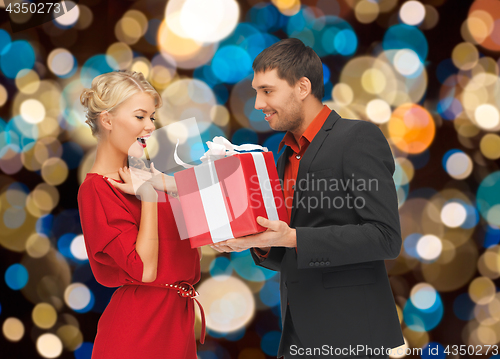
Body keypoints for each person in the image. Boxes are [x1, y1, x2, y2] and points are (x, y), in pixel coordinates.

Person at [211, 39, 404, 359]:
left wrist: (293, 237)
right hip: (297, 334)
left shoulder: (357, 137)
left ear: (302, 86)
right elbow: (291, 248)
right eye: (256, 91)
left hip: (353, 335)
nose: (258, 103)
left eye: (267, 91)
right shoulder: (283, 153)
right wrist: (258, 242)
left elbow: (385, 238)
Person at [77, 70, 203, 359]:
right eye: (139, 116)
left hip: (178, 323)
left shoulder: (156, 175)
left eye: (152, 117)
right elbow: (144, 270)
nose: (150, 126)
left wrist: (165, 186)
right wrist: (147, 196)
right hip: (139, 329)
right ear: (107, 120)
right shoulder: (96, 189)